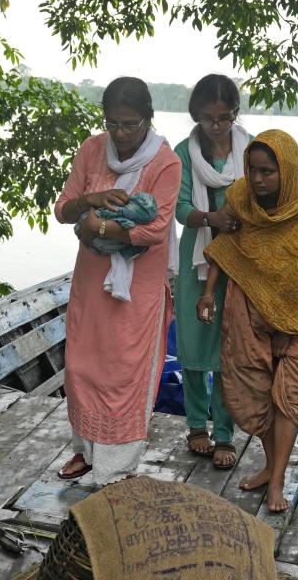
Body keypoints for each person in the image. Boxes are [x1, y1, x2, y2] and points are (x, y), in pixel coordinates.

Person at [199, 130, 298, 513]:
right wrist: (208, 293)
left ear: (288, 170)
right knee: (256, 394)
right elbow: (228, 247)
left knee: (290, 401)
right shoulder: (242, 200)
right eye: (253, 170)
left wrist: (286, 310)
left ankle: (275, 482)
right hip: (250, 309)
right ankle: (270, 467)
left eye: (267, 172)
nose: (258, 179)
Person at [53, 77, 181, 486]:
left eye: (130, 125)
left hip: (137, 286)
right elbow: (62, 210)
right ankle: (85, 450)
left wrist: (99, 227)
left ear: (148, 119)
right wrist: (89, 205)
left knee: (124, 368)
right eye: (113, 124)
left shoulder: (165, 163)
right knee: (82, 364)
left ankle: (115, 467)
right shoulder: (92, 150)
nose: (121, 134)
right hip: (92, 278)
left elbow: (155, 230)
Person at [173, 74, 250, 470]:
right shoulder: (184, 153)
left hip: (240, 260)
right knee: (193, 343)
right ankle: (195, 426)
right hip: (196, 258)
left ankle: (224, 433)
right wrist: (212, 217)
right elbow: (180, 207)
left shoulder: (251, 151)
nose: (216, 125)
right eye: (207, 118)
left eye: (223, 117)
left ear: (235, 114)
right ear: (196, 116)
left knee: (228, 347)